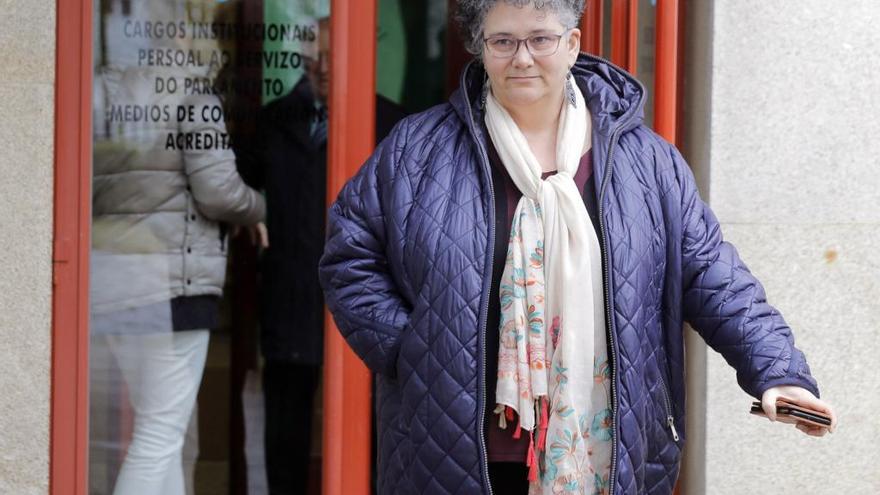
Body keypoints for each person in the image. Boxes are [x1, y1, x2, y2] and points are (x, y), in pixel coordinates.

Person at [318, 1, 838, 494]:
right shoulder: (417, 149)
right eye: (503, 41)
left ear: (572, 44)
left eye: (540, 38)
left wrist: (777, 372)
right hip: (451, 449)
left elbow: (712, 274)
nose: (521, 57)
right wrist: (413, 350)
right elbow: (349, 256)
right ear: (481, 48)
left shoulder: (648, 163)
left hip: (603, 452)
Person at [234, 16, 406, 495]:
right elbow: (240, 190)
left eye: (335, 56)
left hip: (366, 304)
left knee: (370, 430)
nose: (325, 68)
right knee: (285, 427)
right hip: (289, 293)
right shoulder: (274, 121)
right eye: (316, 57)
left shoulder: (393, 125)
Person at [90, 60, 266, 494]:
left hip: (114, 281)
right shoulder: (195, 96)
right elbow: (218, 191)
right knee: (159, 435)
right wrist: (259, 208)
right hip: (175, 284)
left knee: (162, 427)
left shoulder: (99, 94)